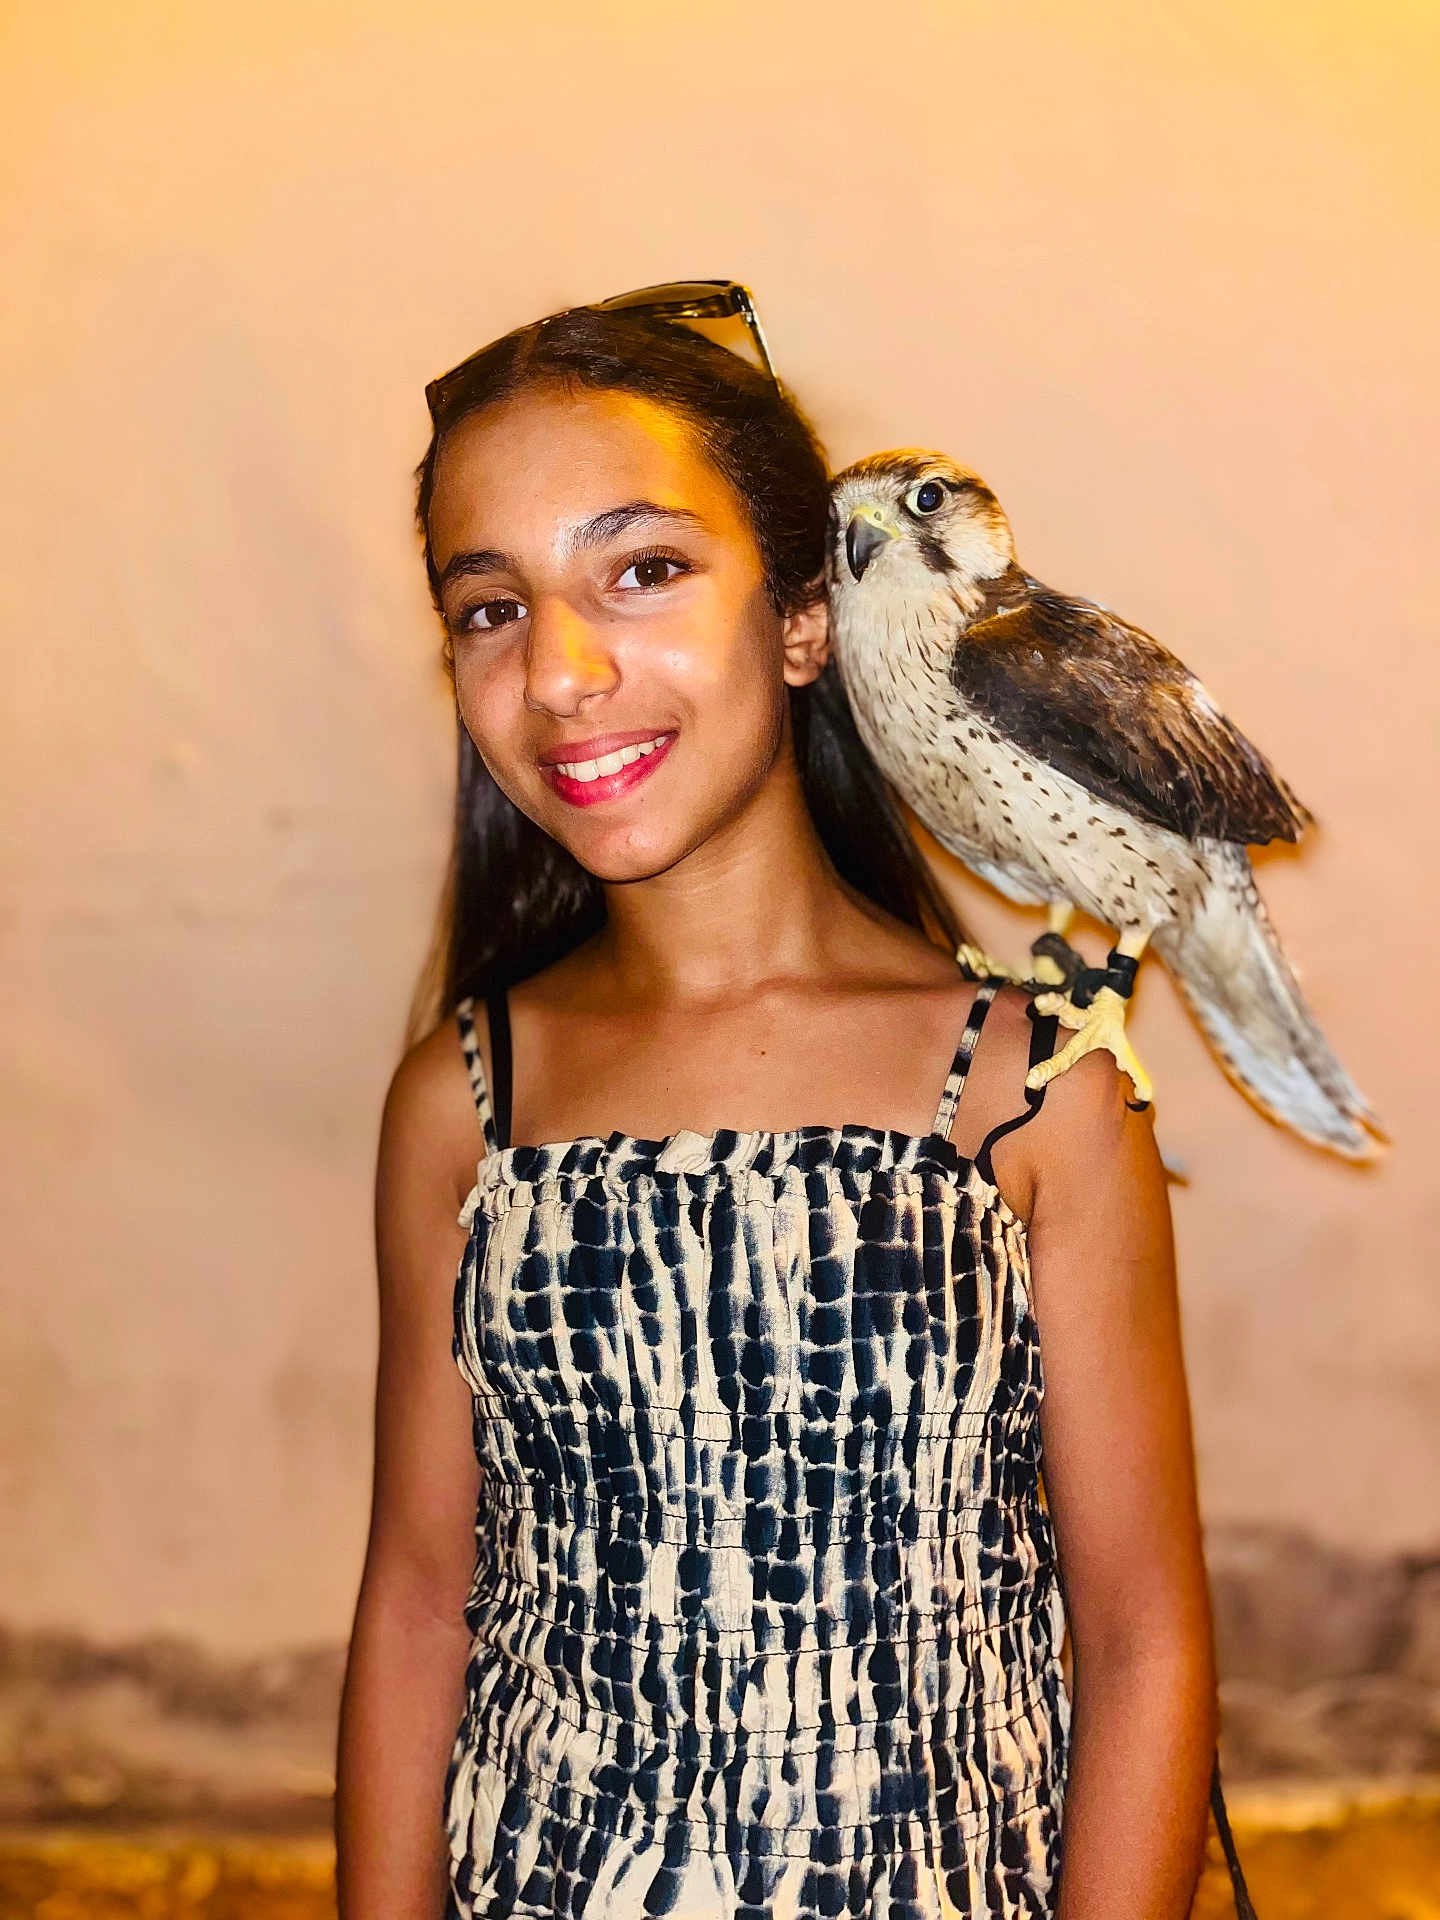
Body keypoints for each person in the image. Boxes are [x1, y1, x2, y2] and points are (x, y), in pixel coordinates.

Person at [335, 288, 1223, 1920]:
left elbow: (1147, 1634)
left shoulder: (1030, 1095)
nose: (563, 671)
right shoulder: (468, 1099)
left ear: (804, 618)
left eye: (646, 571)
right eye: (488, 608)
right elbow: (416, 1599)